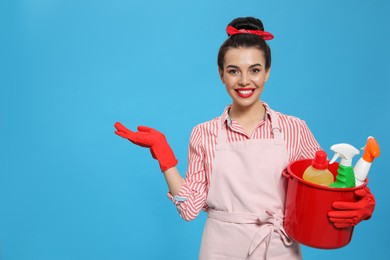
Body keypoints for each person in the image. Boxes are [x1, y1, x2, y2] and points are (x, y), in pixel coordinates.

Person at [114, 17, 375, 260]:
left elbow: (324, 187)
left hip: (278, 247)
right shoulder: (204, 133)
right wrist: (166, 159)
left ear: (267, 72)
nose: (245, 81)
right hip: (220, 248)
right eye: (233, 71)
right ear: (221, 74)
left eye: (254, 70)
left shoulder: (294, 129)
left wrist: (360, 199)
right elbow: (189, 209)